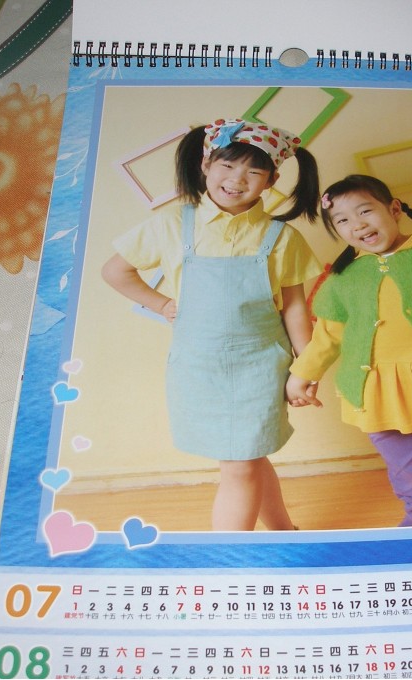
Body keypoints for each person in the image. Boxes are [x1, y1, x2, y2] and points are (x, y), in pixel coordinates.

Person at [102, 118, 322, 531]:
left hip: (260, 366)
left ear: (271, 180)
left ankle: (230, 557)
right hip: (199, 367)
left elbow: (294, 308)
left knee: (243, 461)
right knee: (247, 457)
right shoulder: (171, 224)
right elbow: (115, 271)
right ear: (206, 165)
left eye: (253, 171)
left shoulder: (282, 237)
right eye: (227, 165)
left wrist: (306, 369)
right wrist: (161, 303)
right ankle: (284, 534)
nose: (237, 179)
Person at [286, 174, 412, 527]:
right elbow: (327, 336)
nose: (357, 225)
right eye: (342, 220)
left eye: (365, 211)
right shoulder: (344, 277)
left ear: (394, 209)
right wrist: (300, 375)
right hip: (375, 396)